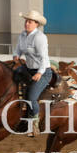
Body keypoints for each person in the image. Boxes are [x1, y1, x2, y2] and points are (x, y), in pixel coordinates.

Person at [13, 9, 52, 137]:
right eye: (26, 21)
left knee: (31, 97)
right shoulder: (22, 35)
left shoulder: (40, 37)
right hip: (29, 69)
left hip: (43, 71)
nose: (26, 24)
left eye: (30, 22)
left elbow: (44, 58)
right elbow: (18, 49)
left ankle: (35, 125)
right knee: (12, 75)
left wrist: (40, 73)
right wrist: (16, 55)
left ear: (36, 24)